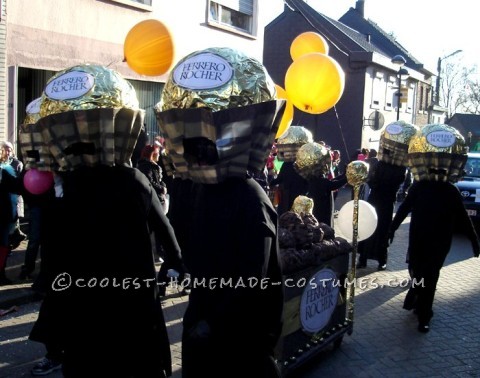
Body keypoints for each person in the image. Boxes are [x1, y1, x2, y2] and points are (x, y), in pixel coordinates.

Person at [27, 64, 179, 377]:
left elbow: (55, 246)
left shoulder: (70, 186)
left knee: (89, 360)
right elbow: (164, 227)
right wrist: (177, 261)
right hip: (131, 297)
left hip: (86, 302)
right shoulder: (134, 180)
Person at [155, 47, 285, 377]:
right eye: (191, 148)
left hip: (240, 335)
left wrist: (214, 322)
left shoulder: (250, 197)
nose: (196, 156)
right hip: (203, 317)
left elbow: (251, 279)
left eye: (204, 148)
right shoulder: (197, 189)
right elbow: (182, 237)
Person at [389, 180, 480, 333]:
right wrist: (391, 229)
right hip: (419, 238)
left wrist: (474, 240)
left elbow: (463, 215)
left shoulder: (450, 189)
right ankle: (419, 300)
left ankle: (424, 316)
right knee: (418, 272)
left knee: (430, 276)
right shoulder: (419, 186)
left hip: (439, 241)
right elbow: (404, 208)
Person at [356, 161, 406, 270]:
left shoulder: (399, 167)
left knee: (382, 230)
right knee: (370, 228)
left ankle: (378, 260)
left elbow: (399, 182)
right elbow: (371, 178)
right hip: (378, 200)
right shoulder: (382, 164)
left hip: (384, 202)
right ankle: (365, 259)